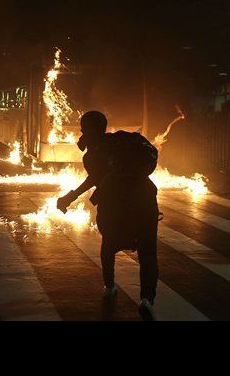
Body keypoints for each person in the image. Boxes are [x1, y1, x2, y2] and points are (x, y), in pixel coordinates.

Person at [56, 111, 160, 321]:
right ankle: (147, 299)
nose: (81, 131)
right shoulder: (122, 141)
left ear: (91, 129)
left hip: (115, 202)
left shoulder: (94, 153)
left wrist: (70, 197)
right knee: (148, 252)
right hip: (145, 198)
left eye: (83, 128)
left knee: (109, 244)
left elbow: (94, 179)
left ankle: (110, 286)